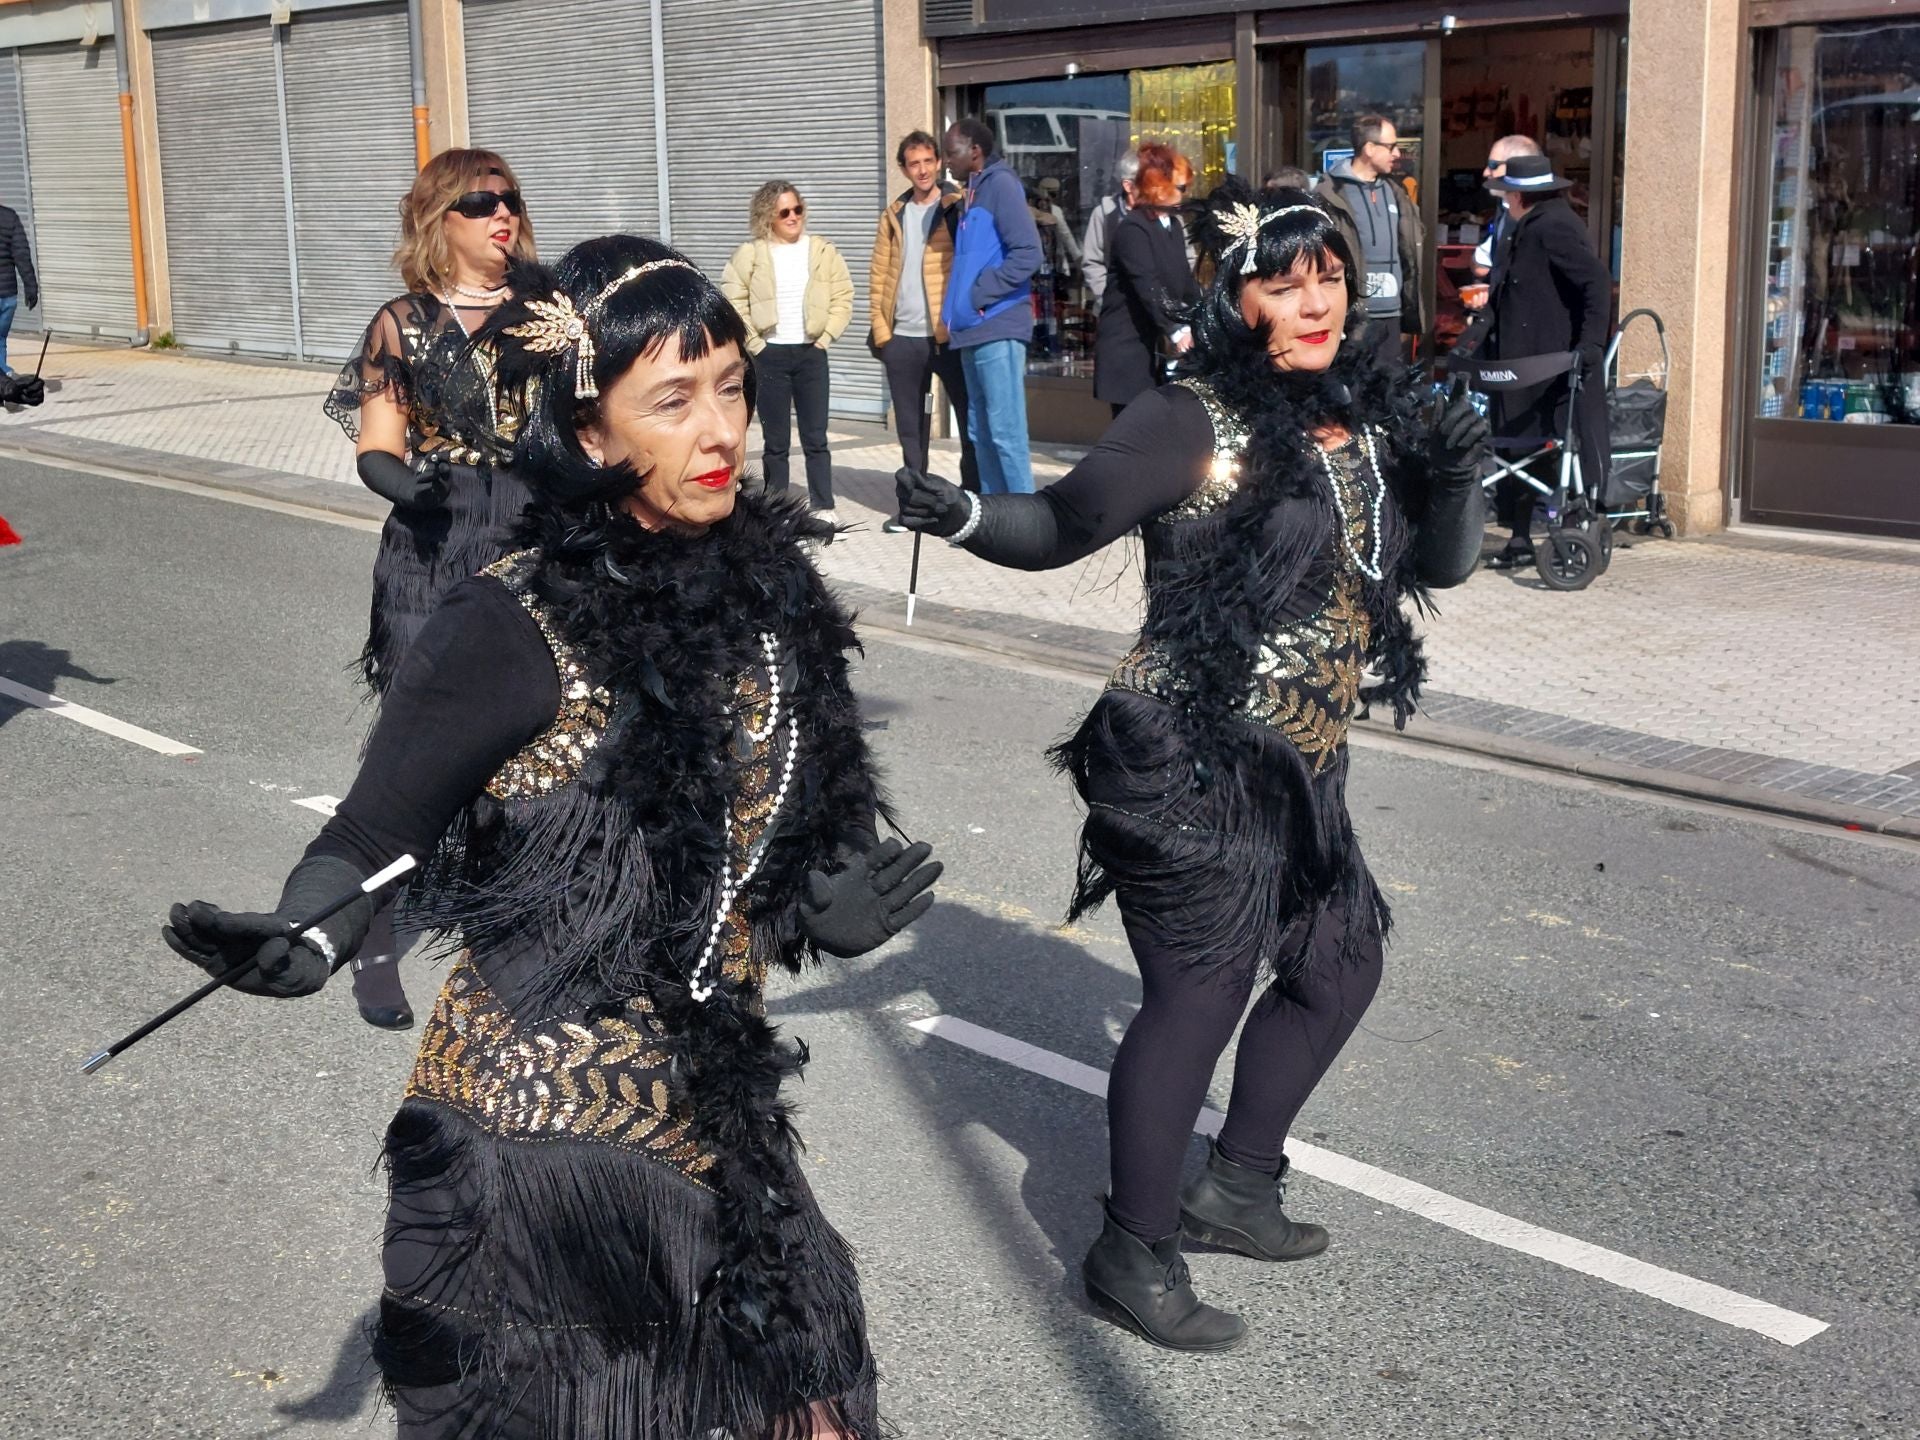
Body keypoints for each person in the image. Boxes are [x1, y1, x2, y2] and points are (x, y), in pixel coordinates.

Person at [163, 234, 942, 1438]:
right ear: (589, 433)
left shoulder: (772, 592)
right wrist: (312, 931)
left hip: (715, 1107)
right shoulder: (507, 622)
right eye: (673, 401)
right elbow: (375, 827)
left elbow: (776, 821)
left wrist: (815, 900)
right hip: (535, 1146)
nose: (723, 429)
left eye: (730, 387)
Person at [896, 182, 1487, 1351]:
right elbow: (1064, 524)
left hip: (1301, 760)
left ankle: (1238, 1185)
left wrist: (1457, 472)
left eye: (1330, 274)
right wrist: (966, 515)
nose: (1316, 301)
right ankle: (1132, 1246)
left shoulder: (1366, 417)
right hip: (1181, 754)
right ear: (1237, 297)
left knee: (1342, 962)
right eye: (1284, 281)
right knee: (1200, 995)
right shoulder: (1189, 419)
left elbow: (1445, 569)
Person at [324, 148, 537, 1031]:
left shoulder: (550, 317)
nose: (504, 215)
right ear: (439, 219)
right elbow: (377, 439)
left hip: (529, 538)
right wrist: (395, 478)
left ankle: (512, 920)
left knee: (530, 740)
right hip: (433, 541)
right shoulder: (402, 323)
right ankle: (376, 935)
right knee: (415, 751)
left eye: (512, 200)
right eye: (482, 202)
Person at [1470, 153, 1613, 569]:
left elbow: (1595, 282)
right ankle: (1518, 537)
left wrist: (1590, 344)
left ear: (1517, 194)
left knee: (1534, 446)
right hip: (1522, 358)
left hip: (1544, 361)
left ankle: (1536, 532)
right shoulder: (1529, 225)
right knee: (1522, 447)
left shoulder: (1552, 226)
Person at [722, 181, 855, 521]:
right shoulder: (750, 255)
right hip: (771, 355)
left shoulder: (822, 251)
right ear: (769, 216)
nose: (793, 217)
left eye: (798, 209)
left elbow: (844, 294)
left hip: (811, 352)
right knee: (776, 440)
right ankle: (776, 507)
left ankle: (823, 505)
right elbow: (733, 300)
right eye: (785, 212)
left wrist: (826, 337)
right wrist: (755, 344)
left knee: (816, 437)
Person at [869, 130, 978, 507]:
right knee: (911, 430)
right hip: (902, 338)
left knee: (969, 420)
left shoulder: (955, 205)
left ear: (939, 162)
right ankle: (914, 505)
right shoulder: (894, 214)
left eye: (928, 161)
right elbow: (879, 276)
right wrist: (883, 334)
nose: (922, 170)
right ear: (903, 168)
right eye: (913, 163)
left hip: (947, 336)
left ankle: (972, 502)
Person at [941, 117, 1042, 495]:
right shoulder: (972, 191)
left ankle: (1027, 526)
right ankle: (995, 523)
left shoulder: (1000, 185)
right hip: (970, 331)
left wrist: (980, 295)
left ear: (975, 151)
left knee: (1005, 433)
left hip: (997, 327)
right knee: (979, 431)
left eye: (952, 153)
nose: (946, 161)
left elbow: (1029, 253)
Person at [1094, 143, 1198, 415]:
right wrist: (1176, 329)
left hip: (1155, 346)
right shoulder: (1133, 227)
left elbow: (1185, 282)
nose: (1183, 194)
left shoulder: (1172, 225)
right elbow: (1148, 285)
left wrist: (1201, 318)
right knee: (1132, 433)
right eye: (1179, 187)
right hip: (1128, 350)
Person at [1318, 114, 1427, 367]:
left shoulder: (1396, 192)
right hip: (1353, 318)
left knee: (1388, 393)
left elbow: (1410, 248)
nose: (1397, 153)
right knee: (1353, 393)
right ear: (1369, 148)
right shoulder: (1331, 193)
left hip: (1392, 316)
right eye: (1391, 147)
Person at [1470, 134, 1544, 278]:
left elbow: (1591, 277)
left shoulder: (1548, 217)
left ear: (1518, 167)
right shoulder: (1504, 208)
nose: (1485, 172)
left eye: (1493, 165)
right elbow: (1482, 264)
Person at [1081, 150, 1140, 306]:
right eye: (1146, 181)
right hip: (1117, 310)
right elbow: (1092, 262)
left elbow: (1185, 257)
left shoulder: (1162, 213)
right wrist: (1107, 298)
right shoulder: (1105, 214)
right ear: (1128, 185)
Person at [0, 195, 38, 377]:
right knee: (0, 339)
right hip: (8, 295)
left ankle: (6, 374)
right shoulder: (10, 217)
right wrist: (31, 287)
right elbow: (22, 255)